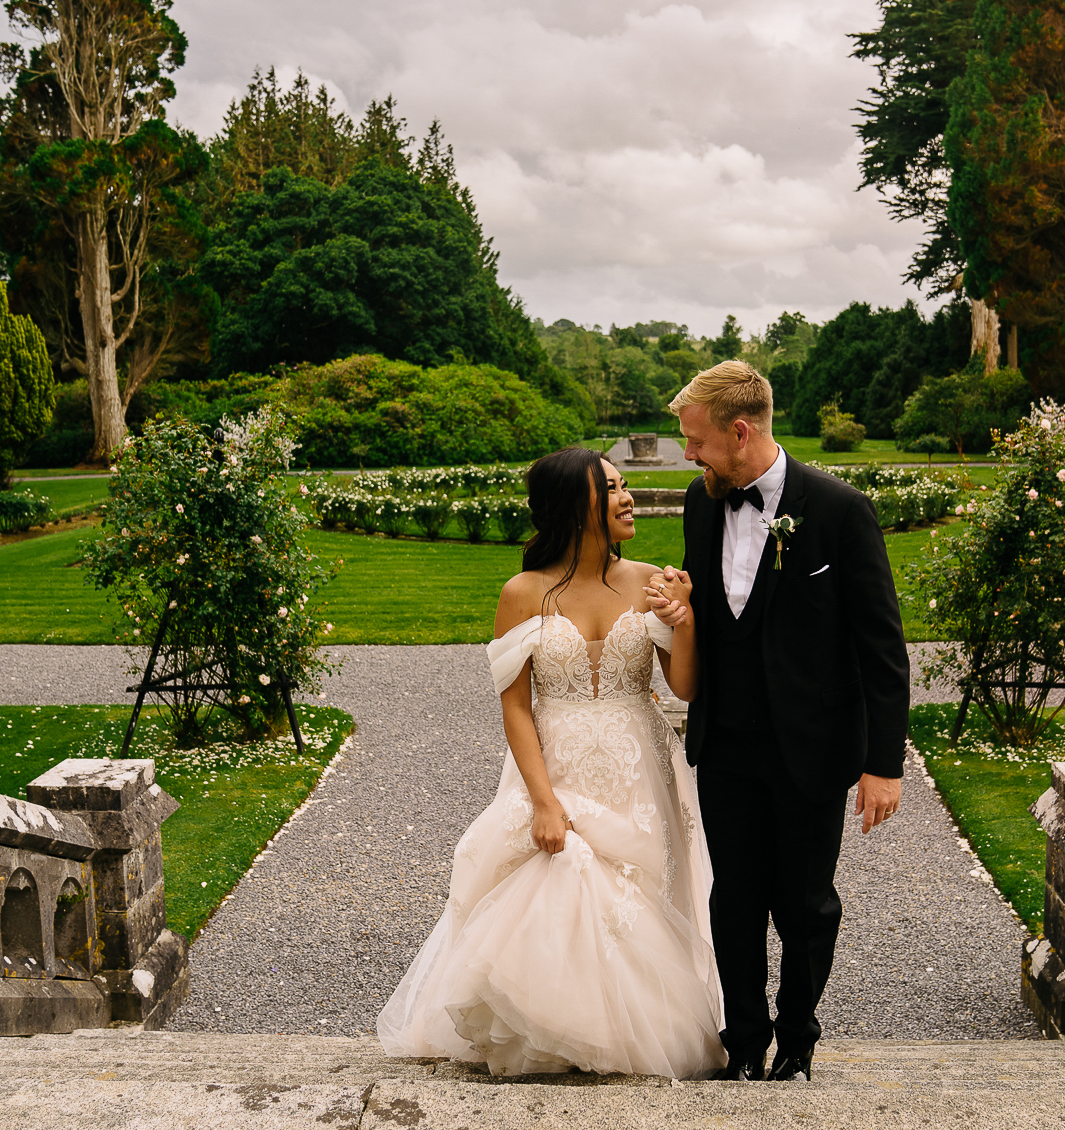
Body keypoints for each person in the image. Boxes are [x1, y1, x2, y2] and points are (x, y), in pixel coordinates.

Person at [377, 446, 726, 1079]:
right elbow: (515, 707)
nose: (627, 498)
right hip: (556, 760)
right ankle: (553, 1031)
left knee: (640, 893)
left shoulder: (649, 580)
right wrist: (542, 800)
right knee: (561, 877)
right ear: (575, 504)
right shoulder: (523, 592)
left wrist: (684, 617)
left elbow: (685, 688)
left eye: (624, 486)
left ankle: (639, 1030)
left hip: (640, 762)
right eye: (610, 488)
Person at [646, 360, 909, 1083]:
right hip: (725, 742)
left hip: (813, 748)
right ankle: (742, 1043)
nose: (689, 455)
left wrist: (884, 763)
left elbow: (881, 649)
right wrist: (678, 602)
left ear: (740, 430)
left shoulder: (838, 509)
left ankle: (797, 1040)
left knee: (805, 903)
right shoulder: (705, 504)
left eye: (696, 441)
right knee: (733, 901)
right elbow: (716, 612)